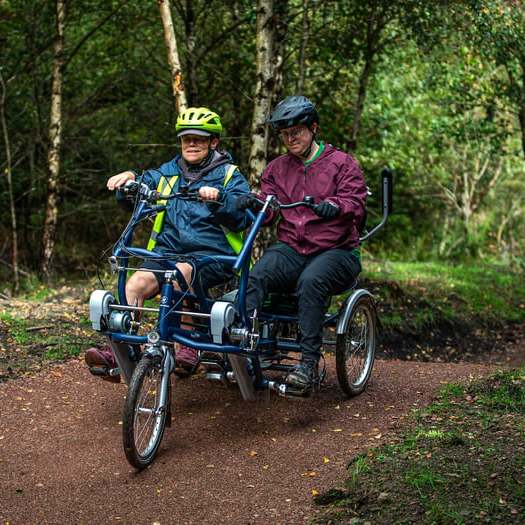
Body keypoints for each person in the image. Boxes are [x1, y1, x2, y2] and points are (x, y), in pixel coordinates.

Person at [86, 107, 251, 382]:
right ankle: (125, 349)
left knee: (179, 273)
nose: (192, 144)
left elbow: (241, 218)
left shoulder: (229, 175)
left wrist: (219, 199)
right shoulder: (167, 173)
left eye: (199, 139)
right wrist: (128, 179)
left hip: (213, 256)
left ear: (213, 143)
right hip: (168, 252)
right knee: (135, 284)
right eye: (187, 139)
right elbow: (140, 187)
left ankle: (186, 344)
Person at [236, 95, 367, 390]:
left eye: (296, 132)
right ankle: (245, 345)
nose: (290, 139)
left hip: (337, 251)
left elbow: (357, 206)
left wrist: (336, 206)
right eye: (285, 135)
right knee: (256, 275)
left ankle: (307, 362)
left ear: (313, 128)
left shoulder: (342, 163)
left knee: (312, 281)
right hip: (294, 247)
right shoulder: (276, 169)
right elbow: (269, 213)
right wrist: (252, 204)